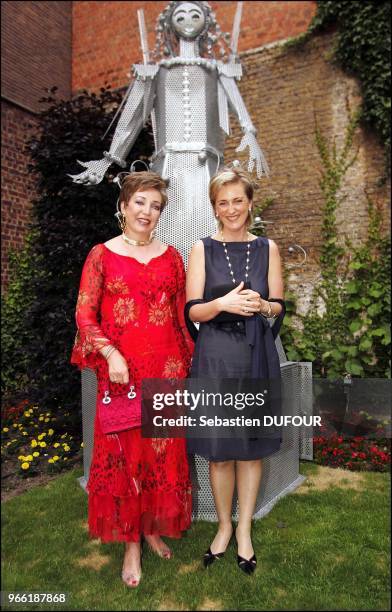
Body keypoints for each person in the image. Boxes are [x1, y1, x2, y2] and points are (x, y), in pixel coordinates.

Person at [71, 171, 194, 588]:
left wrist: (192, 363)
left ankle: (152, 525)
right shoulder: (101, 255)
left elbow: (180, 317)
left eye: (155, 205)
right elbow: (85, 315)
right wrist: (109, 352)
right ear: (123, 205)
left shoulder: (173, 257)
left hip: (166, 371)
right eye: (140, 202)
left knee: (160, 454)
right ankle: (131, 544)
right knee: (125, 455)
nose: (147, 211)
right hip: (122, 373)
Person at [185, 166, 285, 575]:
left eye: (237, 200)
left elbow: (279, 304)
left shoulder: (268, 248)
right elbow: (192, 309)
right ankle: (224, 527)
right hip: (215, 356)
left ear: (249, 203)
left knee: (250, 446)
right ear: (214, 207)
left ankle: (245, 529)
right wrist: (223, 304)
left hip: (256, 354)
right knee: (221, 449)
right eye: (223, 202)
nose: (231, 208)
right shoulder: (202, 248)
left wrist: (263, 305)